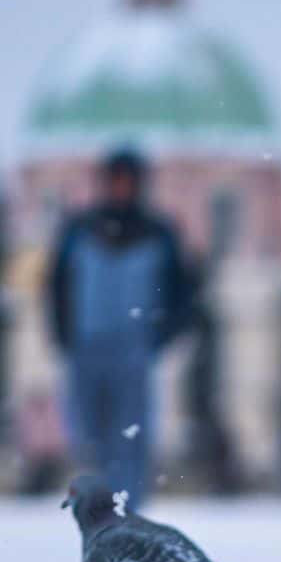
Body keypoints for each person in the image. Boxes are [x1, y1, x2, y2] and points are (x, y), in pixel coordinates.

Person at [45, 147, 192, 504]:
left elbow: (182, 292)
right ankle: (97, 512)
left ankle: (128, 509)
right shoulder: (78, 232)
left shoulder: (159, 234)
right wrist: (64, 335)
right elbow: (57, 286)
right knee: (88, 435)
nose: (121, 189)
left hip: (134, 349)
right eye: (116, 181)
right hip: (86, 346)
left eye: (128, 181)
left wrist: (159, 337)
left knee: (129, 438)